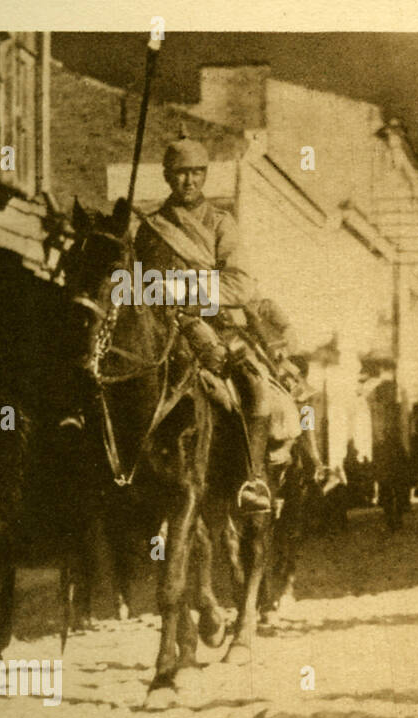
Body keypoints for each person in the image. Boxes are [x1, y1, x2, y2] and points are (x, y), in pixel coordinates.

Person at [134, 129, 309, 515]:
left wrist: (179, 292)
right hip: (163, 328)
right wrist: (153, 292)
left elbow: (240, 285)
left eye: (197, 172)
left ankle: (252, 479)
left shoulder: (220, 224)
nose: (189, 180)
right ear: (166, 176)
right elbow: (140, 283)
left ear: (205, 175)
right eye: (180, 173)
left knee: (254, 387)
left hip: (217, 327)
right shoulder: (149, 229)